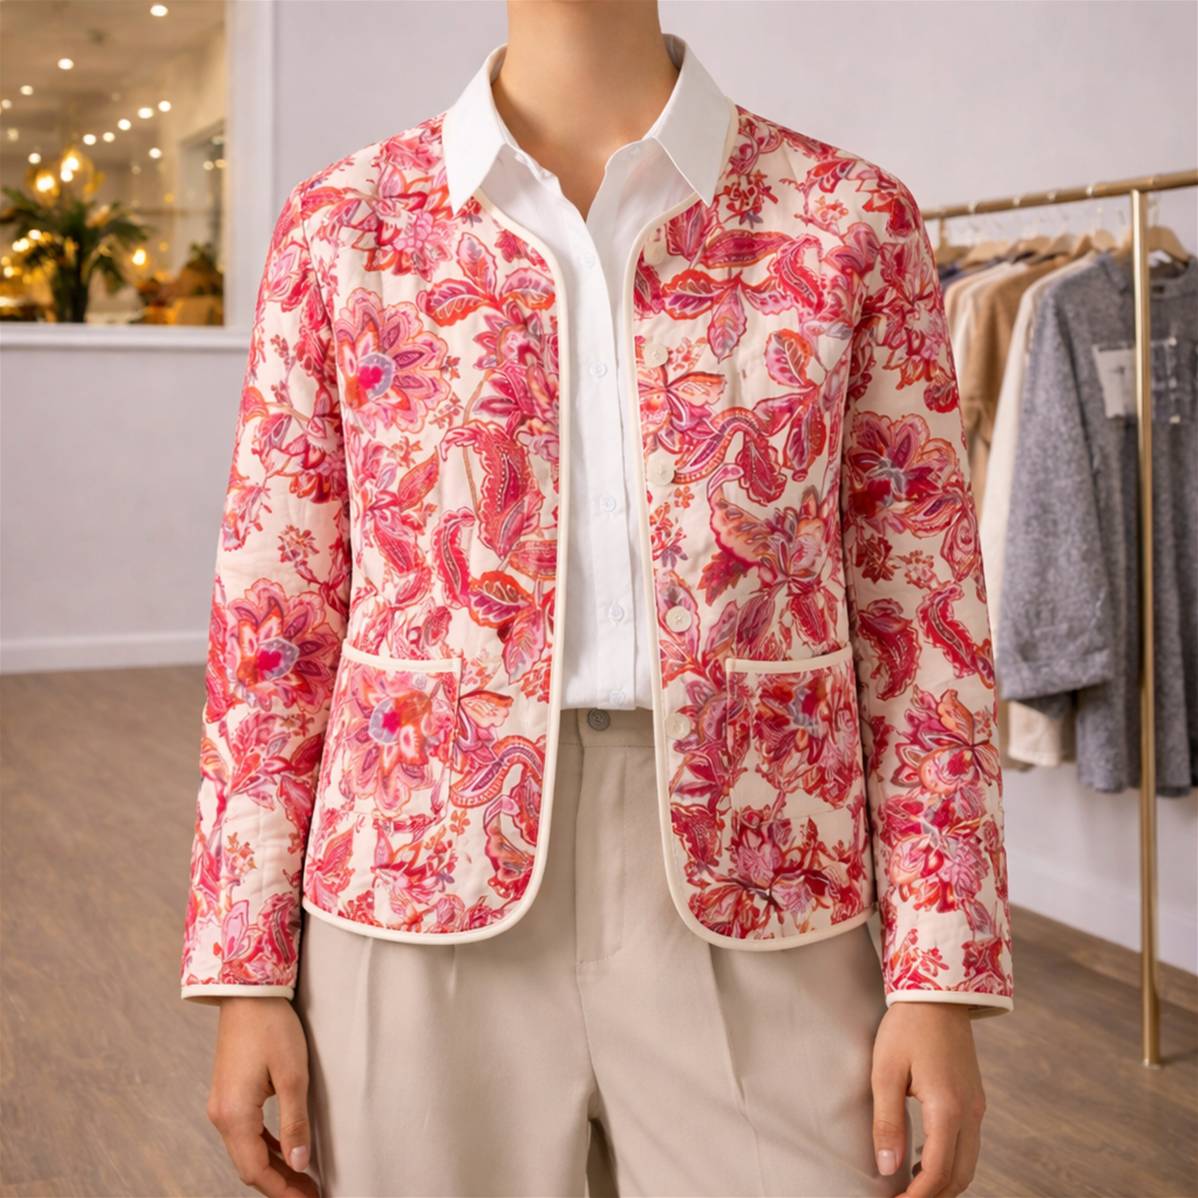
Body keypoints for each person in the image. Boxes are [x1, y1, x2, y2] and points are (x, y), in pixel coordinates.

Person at [180, 3, 1014, 1196]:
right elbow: (275, 618)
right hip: (415, 874)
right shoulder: (344, 224)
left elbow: (922, 618)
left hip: (769, 867)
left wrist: (939, 972)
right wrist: (246, 967)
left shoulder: (845, 220)